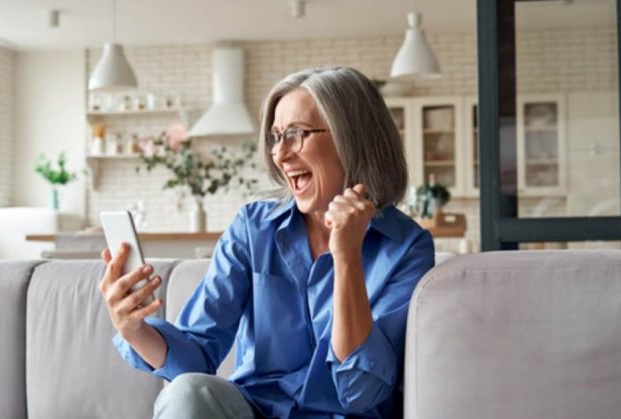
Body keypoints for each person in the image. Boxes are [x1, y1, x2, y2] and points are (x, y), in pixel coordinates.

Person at [99, 67, 435, 419]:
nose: (280, 153)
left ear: (352, 138)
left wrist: (347, 256)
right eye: (276, 137)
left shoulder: (406, 248)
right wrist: (133, 329)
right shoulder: (253, 229)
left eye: (296, 134)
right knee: (187, 392)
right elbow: (196, 356)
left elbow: (360, 392)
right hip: (254, 410)